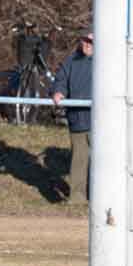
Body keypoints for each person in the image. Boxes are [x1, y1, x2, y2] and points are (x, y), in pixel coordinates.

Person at [50, 31, 95, 204]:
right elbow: (60, 80)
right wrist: (58, 92)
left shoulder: (108, 61)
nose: (87, 44)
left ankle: (101, 198)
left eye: (91, 42)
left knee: (101, 162)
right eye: (85, 40)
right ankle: (77, 199)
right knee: (79, 161)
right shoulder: (71, 60)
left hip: (100, 121)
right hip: (77, 119)